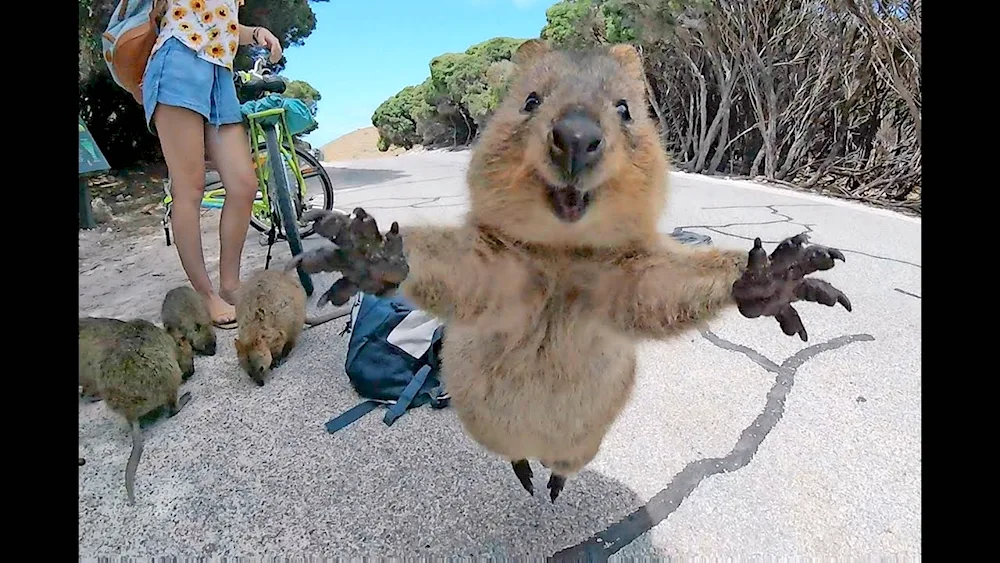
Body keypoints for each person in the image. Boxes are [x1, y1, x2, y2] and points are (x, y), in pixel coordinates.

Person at [142, 0, 283, 328]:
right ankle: (206, 295)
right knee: (188, 188)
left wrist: (258, 33)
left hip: (220, 73)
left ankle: (230, 284)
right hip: (179, 58)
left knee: (244, 185)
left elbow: (226, 25)